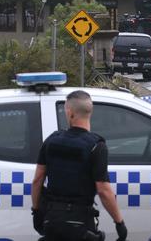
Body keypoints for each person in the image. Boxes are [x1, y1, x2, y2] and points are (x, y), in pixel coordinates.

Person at [31, 90, 127, 241]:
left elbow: (37, 180)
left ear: (69, 112)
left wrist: (36, 212)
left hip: (52, 220)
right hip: (80, 224)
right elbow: (103, 190)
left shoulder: (51, 140)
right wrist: (119, 223)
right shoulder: (96, 146)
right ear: (90, 112)